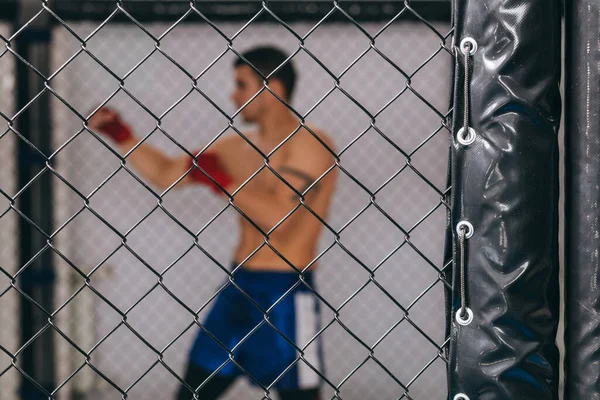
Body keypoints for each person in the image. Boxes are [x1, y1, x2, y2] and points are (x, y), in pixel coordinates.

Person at [88, 46, 337, 400]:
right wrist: (120, 133)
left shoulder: (311, 143)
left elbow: (279, 220)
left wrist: (222, 182)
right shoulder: (236, 148)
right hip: (239, 286)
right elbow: (165, 174)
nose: (232, 96)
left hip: (285, 292)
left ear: (274, 89)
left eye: (241, 85)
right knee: (192, 392)